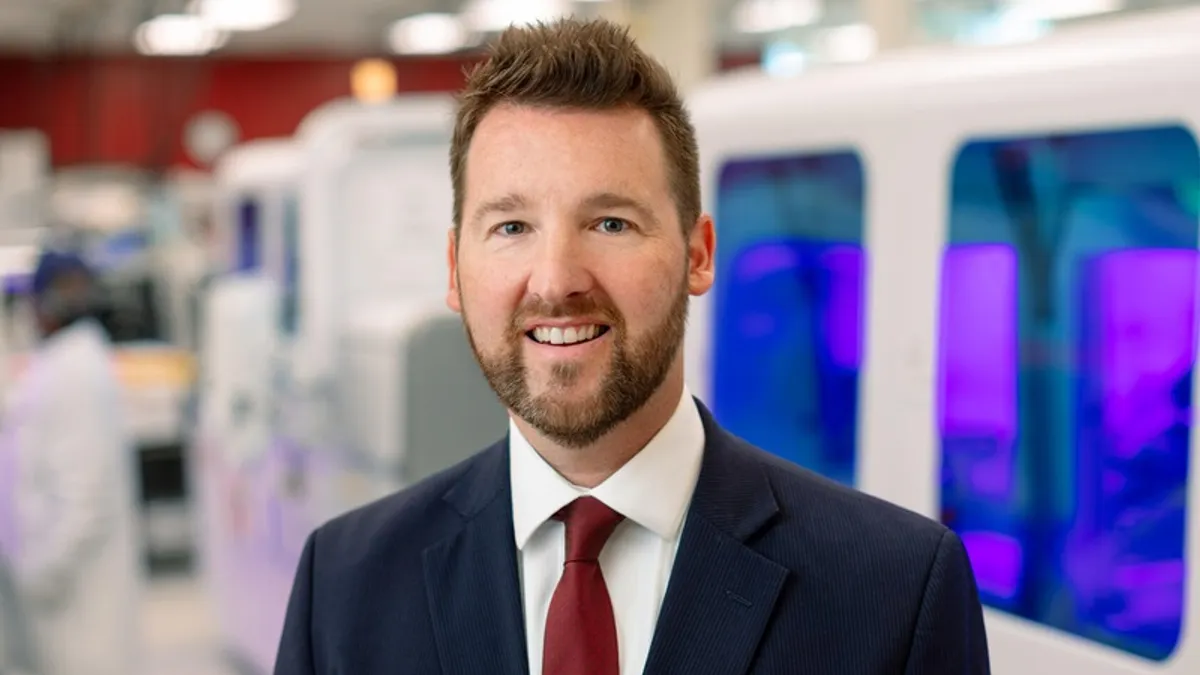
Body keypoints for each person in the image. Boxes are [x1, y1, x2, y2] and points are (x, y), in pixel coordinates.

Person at [274, 18, 990, 675]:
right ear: (455, 268)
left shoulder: (893, 593)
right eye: (511, 227)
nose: (555, 281)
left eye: (611, 223)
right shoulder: (345, 586)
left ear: (699, 254)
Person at [0, 251, 142, 675]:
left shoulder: (75, 372)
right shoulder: (59, 364)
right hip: (53, 581)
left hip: (72, 591)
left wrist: (42, 573)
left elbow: (84, 495)